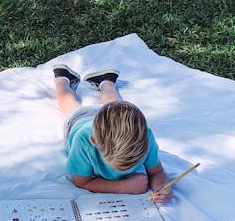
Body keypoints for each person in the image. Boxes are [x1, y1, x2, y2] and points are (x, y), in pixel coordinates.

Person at [51, 64, 172, 201]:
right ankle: (62, 80)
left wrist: (162, 186)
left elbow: (157, 172)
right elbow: (82, 182)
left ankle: (106, 82)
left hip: (110, 120)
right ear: (94, 141)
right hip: (80, 121)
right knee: (70, 106)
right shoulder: (83, 140)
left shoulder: (144, 136)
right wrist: (124, 186)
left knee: (115, 105)